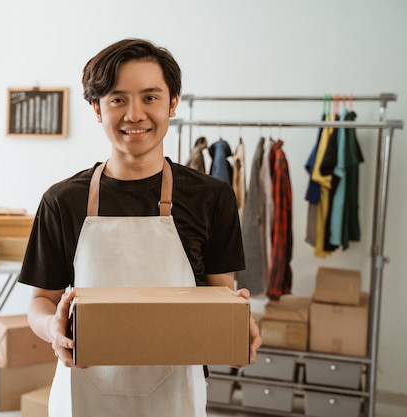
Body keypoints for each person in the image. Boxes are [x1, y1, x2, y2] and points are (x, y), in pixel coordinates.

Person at [18, 38, 262, 417]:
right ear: (97, 108)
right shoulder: (62, 201)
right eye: (118, 99)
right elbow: (40, 301)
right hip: (83, 393)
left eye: (150, 97)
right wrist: (53, 328)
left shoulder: (211, 197)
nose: (135, 114)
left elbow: (219, 296)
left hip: (176, 397)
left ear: (173, 103)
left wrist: (237, 324)